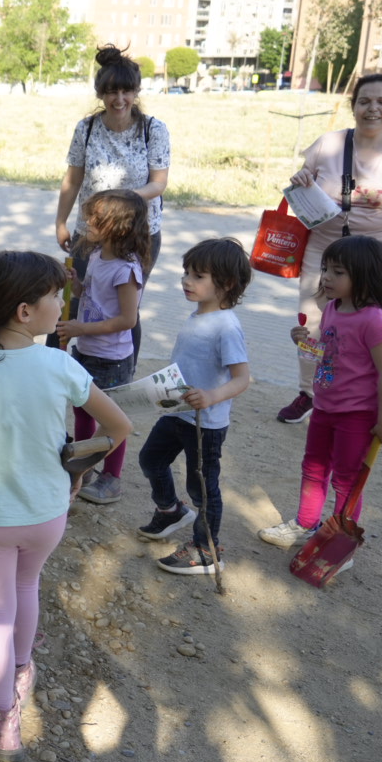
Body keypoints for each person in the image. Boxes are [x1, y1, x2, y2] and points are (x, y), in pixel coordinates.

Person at [0, 250, 132, 762]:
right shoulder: (60, 365)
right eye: (55, 296)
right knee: (29, 588)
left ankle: (3, 719)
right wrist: (78, 470)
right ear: (26, 311)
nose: (62, 303)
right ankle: (23, 669)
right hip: (48, 512)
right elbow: (119, 429)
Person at [275, 73, 382, 424]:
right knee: (312, 320)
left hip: (377, 256)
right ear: (353, 106)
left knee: (364, 326)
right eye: (364, 101)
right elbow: (303, 181)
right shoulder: (328, 144)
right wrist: (301, 178)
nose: (373, 108)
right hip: (324, 248)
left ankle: (359, 399)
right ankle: (309, 392)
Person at [259, 234, 382, 560]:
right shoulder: (333, 309)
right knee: (314, 467)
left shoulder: (375, 320)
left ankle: (340, 543)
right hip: (324, 406)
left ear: (364, 275)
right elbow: (329, 354)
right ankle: (306, 524)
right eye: (325, 269)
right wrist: (304, 342)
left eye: (338, 272)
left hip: (357, 414)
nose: (326, 278)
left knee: (347, 479)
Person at [135, 238, 254, 575]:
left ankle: (206, 549)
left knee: (201, 486)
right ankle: (170, 510)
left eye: (198, 275)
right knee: (150, 459)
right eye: (186, 273)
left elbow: (242, 378)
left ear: (226, 284)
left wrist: (212, 396)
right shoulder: (198, 314)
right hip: (176, 412)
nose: (187, 281)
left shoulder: (227, 326)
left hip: (205, 422)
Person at [52, 45, 171, 359]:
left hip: (139, 233)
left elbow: (158, 184)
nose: (119, 100)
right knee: (73, 299)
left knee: (126, 307)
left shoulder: (153, 130)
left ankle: (121, 372)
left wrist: (122, 200)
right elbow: (73, 180)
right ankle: (53, 367)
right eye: (111, 92)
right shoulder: (87, 128)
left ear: (136, 92)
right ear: (100, 94)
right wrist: (61, 222)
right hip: (90, 230)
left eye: (126, 91)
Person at [55, 189, 150, 505]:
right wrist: (77, 284)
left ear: (117, 226)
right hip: (87, 349)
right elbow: (92, 295)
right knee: (83, 411)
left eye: (95, 218)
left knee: (111, 419)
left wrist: (81, 328)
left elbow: (126, 319)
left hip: (111, 358)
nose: (86, 222)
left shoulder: (126, 270)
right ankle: (84, 466)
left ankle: (112, 478)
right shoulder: (97, 256)